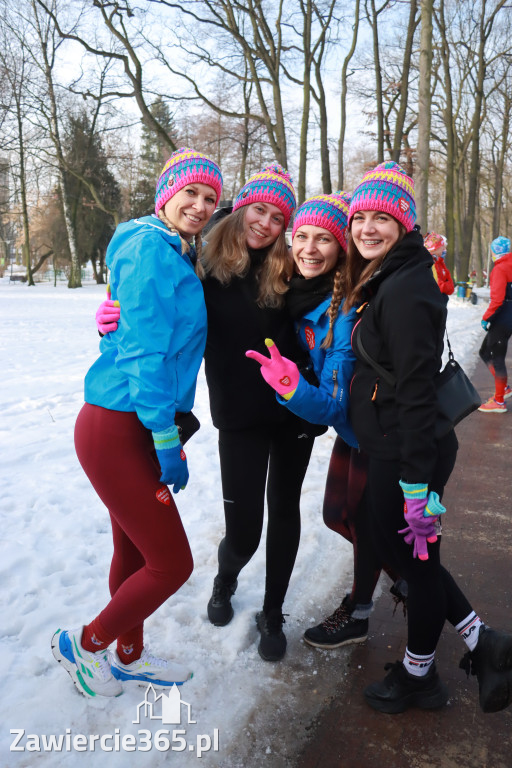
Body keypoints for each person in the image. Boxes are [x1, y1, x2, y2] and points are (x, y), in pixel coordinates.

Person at [342, 160, 512, 714]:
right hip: (395, 444)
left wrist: (416, 486)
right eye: (359, 217)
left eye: (381, 218)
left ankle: (421, 676)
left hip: (408, 450)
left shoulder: (407, 287)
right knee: (408, 555)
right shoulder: (393, 274)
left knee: (416, 562)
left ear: (404, 224)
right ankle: (483, 642)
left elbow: (415, 391)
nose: (367, 227)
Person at [52, 148, 223, 698]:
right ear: (166, 194)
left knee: (132, 551)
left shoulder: (174, 249)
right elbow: (147, 354)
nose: (200, 205)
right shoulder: (150, 247)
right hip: (120, 423)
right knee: (171, 563)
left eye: (210, 198)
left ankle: (128, 655)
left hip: (133, 422)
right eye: (190, 192)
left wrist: (112, 324)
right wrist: (165, 435)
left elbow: (140, 330)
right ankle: (84, 646)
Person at [247, 192, 403, 651]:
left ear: (341, 248)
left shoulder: (345, 309)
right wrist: (117, 318)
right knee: (341, 515)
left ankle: (392, 599)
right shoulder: (292, 287)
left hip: (376, 432)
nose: (310, 249)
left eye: (324, 239)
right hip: (356, 431)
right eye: (302, 236)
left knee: (367, 524)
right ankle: (404, 581)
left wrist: (289, 386)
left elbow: (334, 404)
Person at [202, 165, 325, 662]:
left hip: (294, 408)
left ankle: (273, 611)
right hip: (239, 412)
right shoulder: (204, 265)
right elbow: (159, 311)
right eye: (260, 210)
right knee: (244, 530)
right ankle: (226, 576)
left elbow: (337, 294)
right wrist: (113, 320)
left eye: (279, 218)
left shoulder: (290, 267)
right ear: (241, 208)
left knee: (285, 510)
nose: (267, 224)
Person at [477, 235, 512, 413]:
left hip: (502, 317)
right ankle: (503, 388)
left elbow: (497, 299)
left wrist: (486, 318)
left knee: (496, 358)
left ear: (494, 251)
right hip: (508, 316)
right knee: (484, 351)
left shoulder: (500, 268)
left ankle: (499, 401)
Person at [423, 232, 454, 296]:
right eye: (442, 247)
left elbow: (450, 285)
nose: (444, 250)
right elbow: (436, 285)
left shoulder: (433, 261)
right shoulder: (428, 263)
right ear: (436, 247)